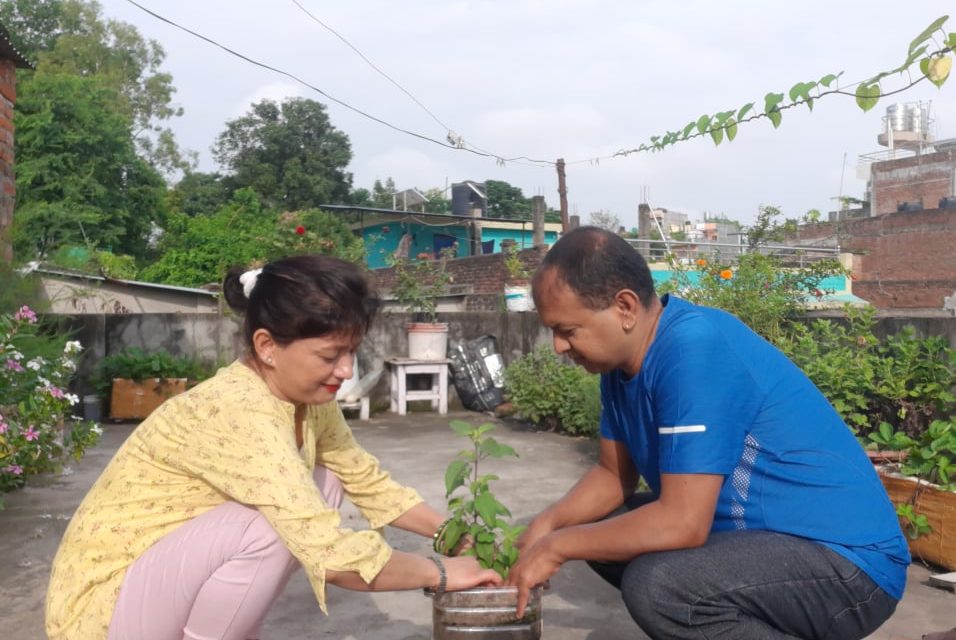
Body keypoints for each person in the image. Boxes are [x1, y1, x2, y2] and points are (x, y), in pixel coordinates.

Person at [46, 255, 500, 640]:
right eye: (329, 355)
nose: (345, 371)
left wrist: (456, 536)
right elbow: (331, 556)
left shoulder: (305, 397)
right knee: (270, 526)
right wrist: (439, 574)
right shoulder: (241, 411)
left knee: (326, 480)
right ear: (266, 347)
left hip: (161, 578)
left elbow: (363, 478)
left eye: (351, 353)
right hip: (103, 609)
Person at [505, 227, 910, 640]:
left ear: (625, 307)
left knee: (660, 586)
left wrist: (559, 546)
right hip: (769, 546)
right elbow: (613, 476)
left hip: (849, 567)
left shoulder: (692, 349)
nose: (557, 346)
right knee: (603, 527)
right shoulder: (618, 368)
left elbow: (683, 523)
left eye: (568, 331)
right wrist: (549, 525)